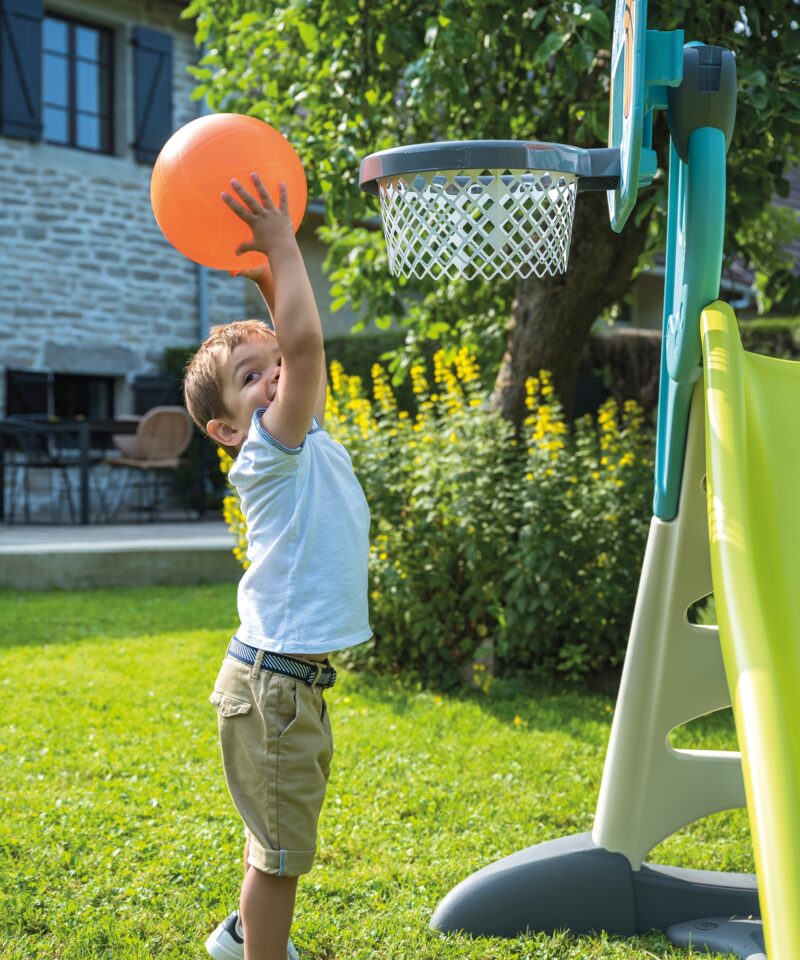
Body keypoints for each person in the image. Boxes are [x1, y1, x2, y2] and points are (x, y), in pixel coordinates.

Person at [183, 173, 372, 960]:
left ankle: (241, 940)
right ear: (227, 429)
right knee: (283, 853)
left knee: (274, 835)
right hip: (277, 689)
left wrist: (270, 278)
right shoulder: (269, 451)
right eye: (250, 378)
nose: (275, 379)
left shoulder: (293, 434)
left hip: (286, 684)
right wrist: (284, 241)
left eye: (273, 368)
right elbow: (302, 344)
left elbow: (289, 346)